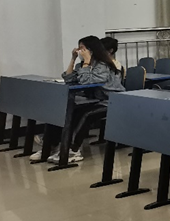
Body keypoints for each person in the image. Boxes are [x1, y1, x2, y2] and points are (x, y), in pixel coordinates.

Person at [32, 36, 125, 164]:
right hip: (97, 100)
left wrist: (86, 62)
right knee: (66, 111)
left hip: (113, 101)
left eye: (82, 49)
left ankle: (73, 150)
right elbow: (69, 79)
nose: (79, 51)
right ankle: (52, 146)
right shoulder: (84, 64)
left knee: (86, 115)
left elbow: (86, 81)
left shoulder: (103, 65)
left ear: (91, 50)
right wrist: (73, 59)